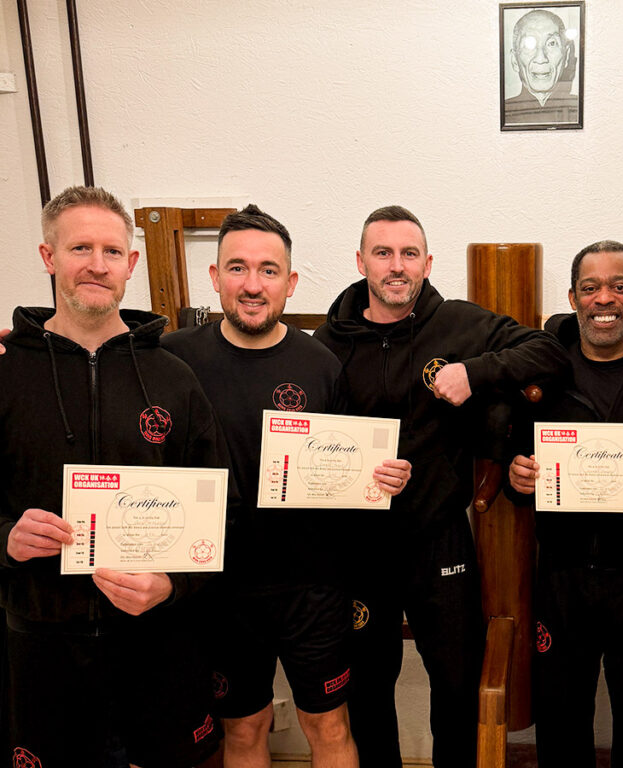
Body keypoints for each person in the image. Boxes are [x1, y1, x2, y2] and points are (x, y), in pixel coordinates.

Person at [312, 206, 568, 768]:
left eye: (409, 254)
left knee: (455, 687)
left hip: (439, 539)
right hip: (359, 547)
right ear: (361, 263)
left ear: (428, 263)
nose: (396, 266)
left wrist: (474, 373)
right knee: (368, 691)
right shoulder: (326, 343)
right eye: (383, 254)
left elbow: (550, 354)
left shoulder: (459, 324)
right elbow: (309, 443)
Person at [163, 205, 411, 767]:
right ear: (215, 276)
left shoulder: (320, 363)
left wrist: (378, 478)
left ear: (290, 281)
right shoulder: (175, 360)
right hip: (219, 588)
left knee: (328, 725)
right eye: (238, 268)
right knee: (245, 729)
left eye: (269, 270)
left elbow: (345, 475)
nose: (253, 285)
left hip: (312, 587)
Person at [0, 186, 229, 766]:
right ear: (49, 257)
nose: (96, 265)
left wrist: (174, 584)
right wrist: (3, 536)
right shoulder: (6, 373)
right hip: (42, 642)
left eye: (111, 250)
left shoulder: (174, 377)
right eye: (80, 247)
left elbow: (221, 508)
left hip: (160, 640)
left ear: (131, 264)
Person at [506, 240, 623, 767]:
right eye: (591, 288)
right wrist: (516, 475)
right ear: (573, 297)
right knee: (561, 714)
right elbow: (512, 458)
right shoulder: (542, 371)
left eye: (619, 286)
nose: (604, 299)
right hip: (561, 574)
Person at [504, 9, 579, 125]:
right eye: (529, 44)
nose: (541, 58)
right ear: (514, 60)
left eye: (551, 43)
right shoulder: (503, 113)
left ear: (566, 56)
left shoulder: (581, 110)